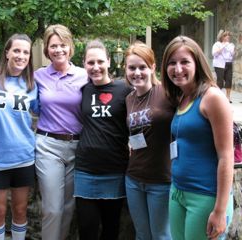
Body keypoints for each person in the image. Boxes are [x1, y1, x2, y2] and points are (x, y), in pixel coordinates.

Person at [161, 35, 234, 240]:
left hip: (205, 197)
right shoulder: (182, 97)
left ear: (198, 64)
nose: (178, 69)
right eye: (172, 63)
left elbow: (226, 158)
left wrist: (220, 211)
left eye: (185, 62)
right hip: (178, 192)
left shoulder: (212, 98)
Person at [34, 24, 88, 240]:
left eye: (62, 45)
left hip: (77, 146)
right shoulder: (38, 76)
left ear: (70, 47)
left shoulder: (84, 76)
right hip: (48, 146)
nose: (58, 50)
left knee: (68, 207)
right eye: (53, 46)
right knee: (52, 208)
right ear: (47, 49)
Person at [74, 39, 131, 240]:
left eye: (100, 61)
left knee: (110, 229)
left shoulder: (125, 90)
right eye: (90, 63)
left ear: (108, 61)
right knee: (87, 229)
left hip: (114, 169)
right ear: (84, 64)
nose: (95, 67)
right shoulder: (83, 90)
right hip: (85, 169)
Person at [0, 33, 38, 240]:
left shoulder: (32, 85)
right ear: (7, 52)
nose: (21, 55)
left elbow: (46, 113)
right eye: (16, 50)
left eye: (26, 52)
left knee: (20, 210)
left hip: (23, 156)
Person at [124, 41, 174, 240]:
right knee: (142, 235)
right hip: (134, 178)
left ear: (153, 67)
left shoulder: (168, 93)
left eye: (142, 67)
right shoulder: (129, 99)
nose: (137, 72)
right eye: (132, 68)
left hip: (162, 180)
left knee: (162, 235)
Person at [212, 30, 235, 102]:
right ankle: (218, 97)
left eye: (228, 35)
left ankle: (228, 97)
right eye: (225, 35)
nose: (227, 36)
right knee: (220, 81)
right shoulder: (217, 44)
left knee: (229, 80)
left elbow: (233, 55)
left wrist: (233, 52)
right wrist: (223, 47)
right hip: (219, 64)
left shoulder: (231, 45)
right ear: (221, 37)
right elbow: (214, 54)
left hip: (228, 63)